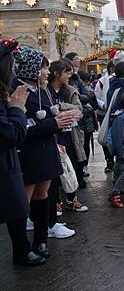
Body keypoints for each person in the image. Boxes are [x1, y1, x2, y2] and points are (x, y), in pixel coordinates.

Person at [13, 46, 77, 257]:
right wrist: (55, 123)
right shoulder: (16, 91)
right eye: (43, 68)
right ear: (32, 69)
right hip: (29, 153)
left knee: (44, 194)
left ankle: (41, 241)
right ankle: (22, 248)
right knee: (24, 200)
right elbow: (22, 127)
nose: (47, 73)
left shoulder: (43, 90)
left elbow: (49, 118)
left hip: (47, 149)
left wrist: (65, 117)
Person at [0, 39, 46, 266]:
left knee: (20, 204)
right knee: (19, 203)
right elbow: (12, 133)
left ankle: (26, 246)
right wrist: (17, 108)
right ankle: (22, 249)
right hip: (13, 158)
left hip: (12, 161)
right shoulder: (16, 92)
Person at [47, 60, 88, 212]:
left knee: (72, 167)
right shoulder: (45, 90)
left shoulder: (70, 91)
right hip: (52, 136)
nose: (70, 75)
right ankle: (55, 202)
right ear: (57, 73)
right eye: (67, 72)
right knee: (55, 170)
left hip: (70, 135)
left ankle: (72, 199)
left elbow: (79, 110)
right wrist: (67, 113)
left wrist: (59, 108)